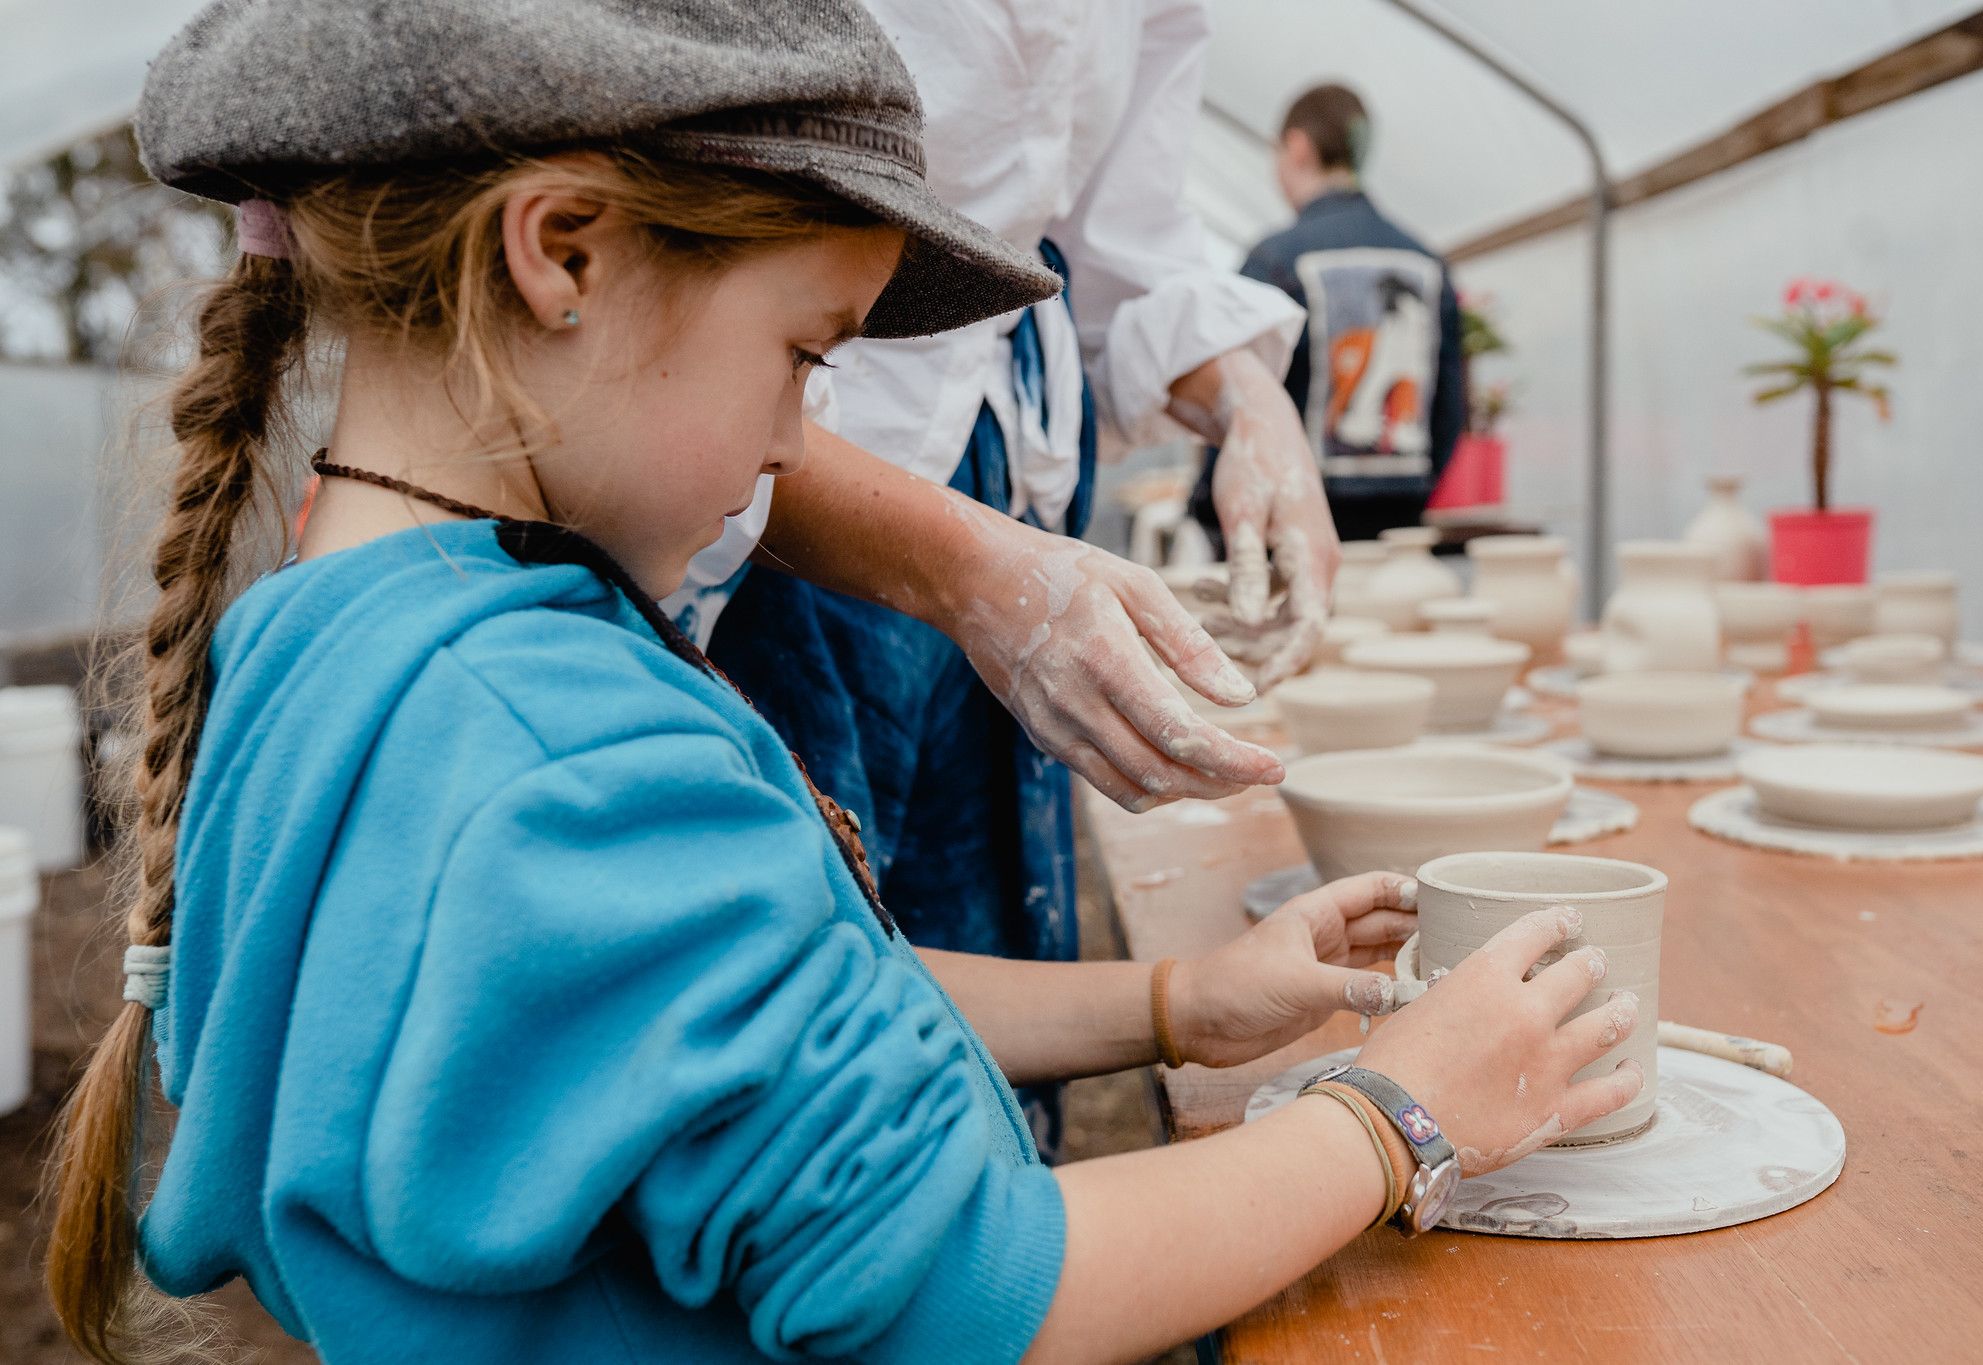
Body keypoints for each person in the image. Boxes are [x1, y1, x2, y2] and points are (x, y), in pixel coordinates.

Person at [45, 5, 1643, 1363]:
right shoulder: (572, 758)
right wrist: (1397, 1119)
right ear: (561, 254)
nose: (799, 447)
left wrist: (1170, 1005)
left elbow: (740, 1008)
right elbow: (971, 1287)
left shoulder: (328, 645)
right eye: (809, 353)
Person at [701, 2, 1343, 1100]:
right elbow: (671, 314)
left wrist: (1252, 405)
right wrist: (1381, 1140)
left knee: (970, 964)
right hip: (777, 478)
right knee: (808, 1031)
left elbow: (1121, 248)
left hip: (1009, 459)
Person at [1194, 82, 1467, 545]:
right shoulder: (1426, 263)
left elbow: (1229, 396)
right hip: (1397, 537)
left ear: (1298, 147)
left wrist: (1206, 504)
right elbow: (1450, 406)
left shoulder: (1274, 260)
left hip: (1289, 534)